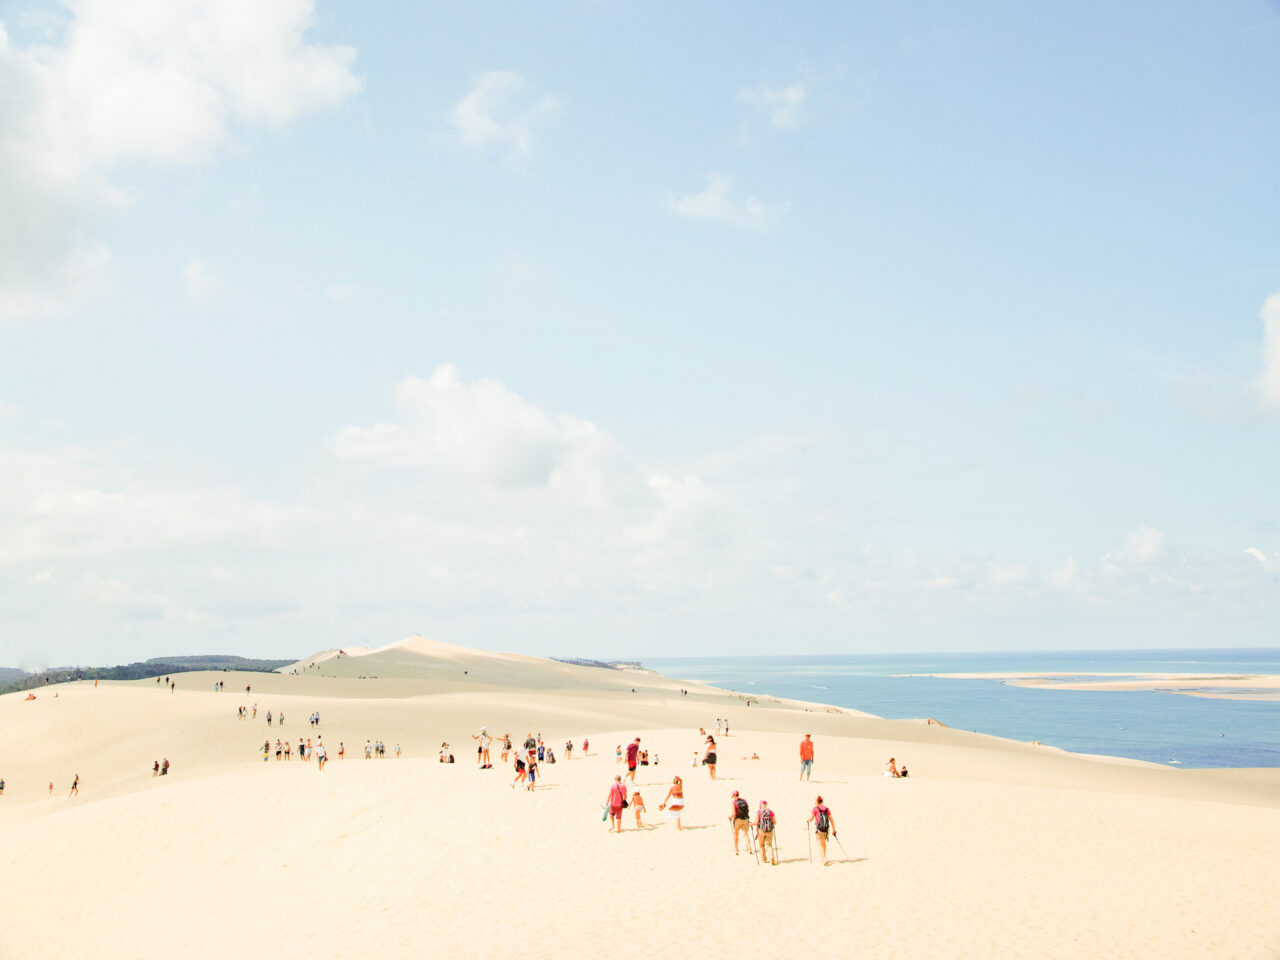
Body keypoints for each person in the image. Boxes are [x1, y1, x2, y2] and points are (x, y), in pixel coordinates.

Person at [808, 795, 835, 865]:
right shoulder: (826, 809)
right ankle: (824, 857)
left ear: (817, 801)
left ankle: (824, 858)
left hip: (818, 828)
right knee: (823, 843)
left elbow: (811, 819)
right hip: (826, 829)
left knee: (819, 843)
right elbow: (831, 820)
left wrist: (807, 820)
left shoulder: (815, 808)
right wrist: (834, 830)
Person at [729, 790, 751, 855]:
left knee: (736, 834)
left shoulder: (734, 803)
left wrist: (730, 817)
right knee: (745, 834)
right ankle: (749, 848)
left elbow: (734, 814)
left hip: (738, 820)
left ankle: (736, 849)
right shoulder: (744, 801)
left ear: (733, 796)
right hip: (745, 819)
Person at [756, 801, 778, 865]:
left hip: (761, 831)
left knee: (761, 845)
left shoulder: (759, 812)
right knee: (769, 845)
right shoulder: (770, 812)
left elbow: (756, 822)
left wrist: (752, 823)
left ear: (760, 805)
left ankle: (764, 859)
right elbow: (775, 822)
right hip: (769, 831)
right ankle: (771, 857)